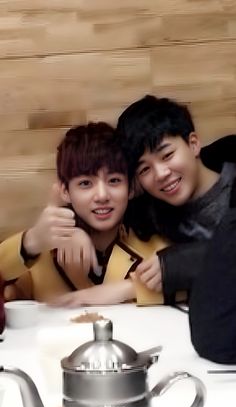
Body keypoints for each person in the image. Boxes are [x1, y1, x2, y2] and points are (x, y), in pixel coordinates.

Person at [116, 94, 236, 363]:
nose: (161, 173)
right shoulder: (153, 214)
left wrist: (180, 264)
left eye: (167, 155)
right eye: (144, 169)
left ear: (193, 143)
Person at [1, 122, 169, 306]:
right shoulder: (42, 256)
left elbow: (188, 285)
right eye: (85, 184)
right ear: (65, 191)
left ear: (130, 188)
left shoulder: (155, 249)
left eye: (114, 180)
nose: (102, 196)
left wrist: (132, 287)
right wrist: (31, 241)